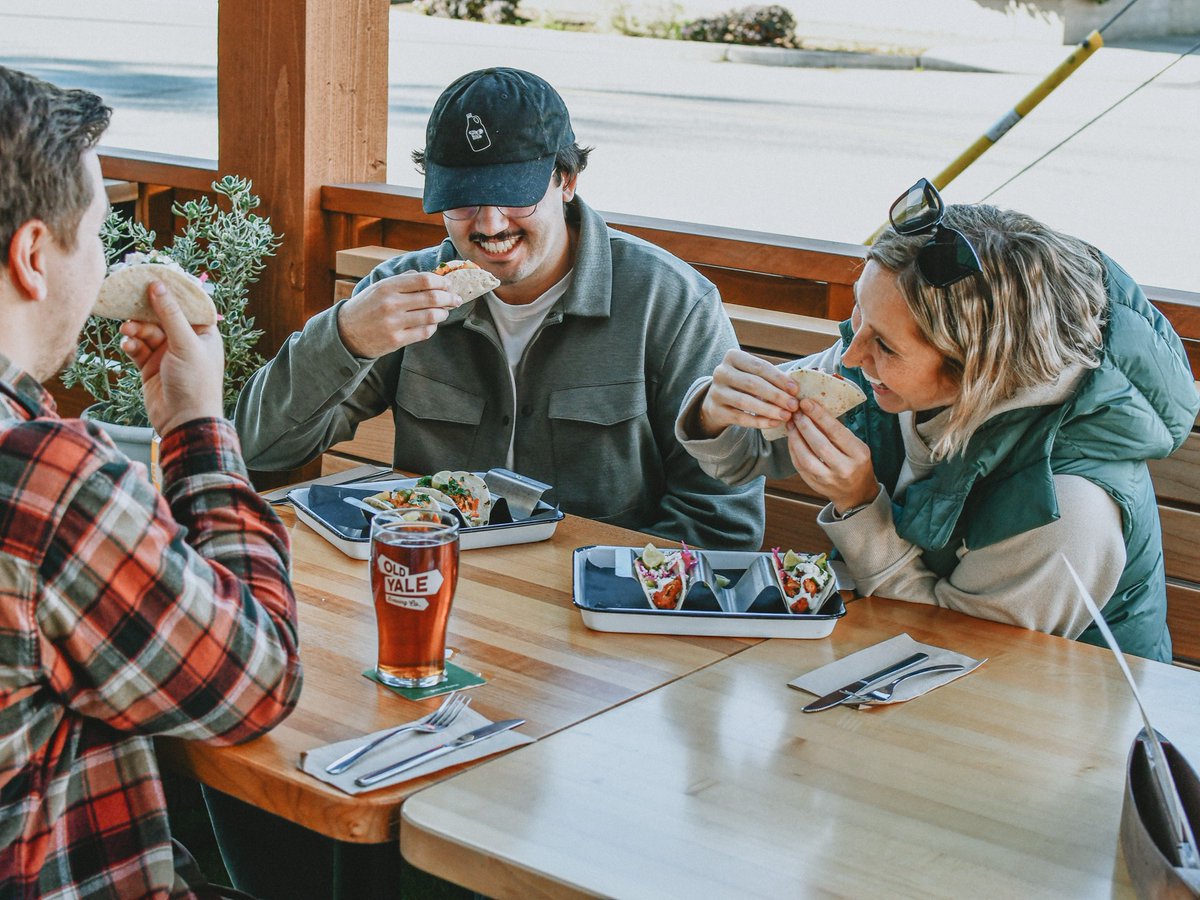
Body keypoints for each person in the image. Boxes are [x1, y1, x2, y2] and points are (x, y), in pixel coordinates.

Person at [234, 66, 763, 550]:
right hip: (433, 584)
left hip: (597, 613)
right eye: (463, 200)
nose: (489, 225)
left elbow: (721, 523)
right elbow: (258, 447)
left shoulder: (670, 304)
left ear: (568, 181)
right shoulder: (399, 293)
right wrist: (346, 337)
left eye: (514, 196)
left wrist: (600, 589)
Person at [676, 178, 1198, 661]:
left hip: (1055, 727)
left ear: (978, 371)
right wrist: (716, 410)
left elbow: (956, 651)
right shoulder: (882, 366)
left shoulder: (1068, 507)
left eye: (883, 344)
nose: (851, 357)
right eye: (861, 312)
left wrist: (860, 507)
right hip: (895, 664)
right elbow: (746, 453)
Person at [0, 66, 302, 895]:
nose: (101, 263)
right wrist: (196, 426)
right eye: (98, 234)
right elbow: (259, 679)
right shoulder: (43, 479)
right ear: (34, 256)